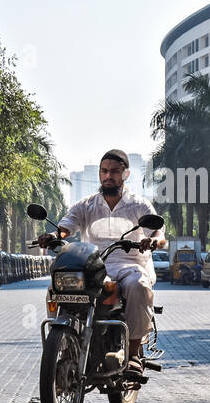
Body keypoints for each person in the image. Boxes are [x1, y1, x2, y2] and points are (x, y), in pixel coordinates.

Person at [39, 149, 166, 376]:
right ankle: (65, 342)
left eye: (115, 172)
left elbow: (159, 233)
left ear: (125, 174)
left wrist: (153, 241)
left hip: (130, 264)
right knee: (57, 287)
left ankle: (134, 353)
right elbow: (66, 226)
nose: (109, 176)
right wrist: (55, 236)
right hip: (94, 266)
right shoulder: (86, 205)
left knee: (138, 285)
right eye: (104, 171)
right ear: (99, 174)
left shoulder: (139, 204)